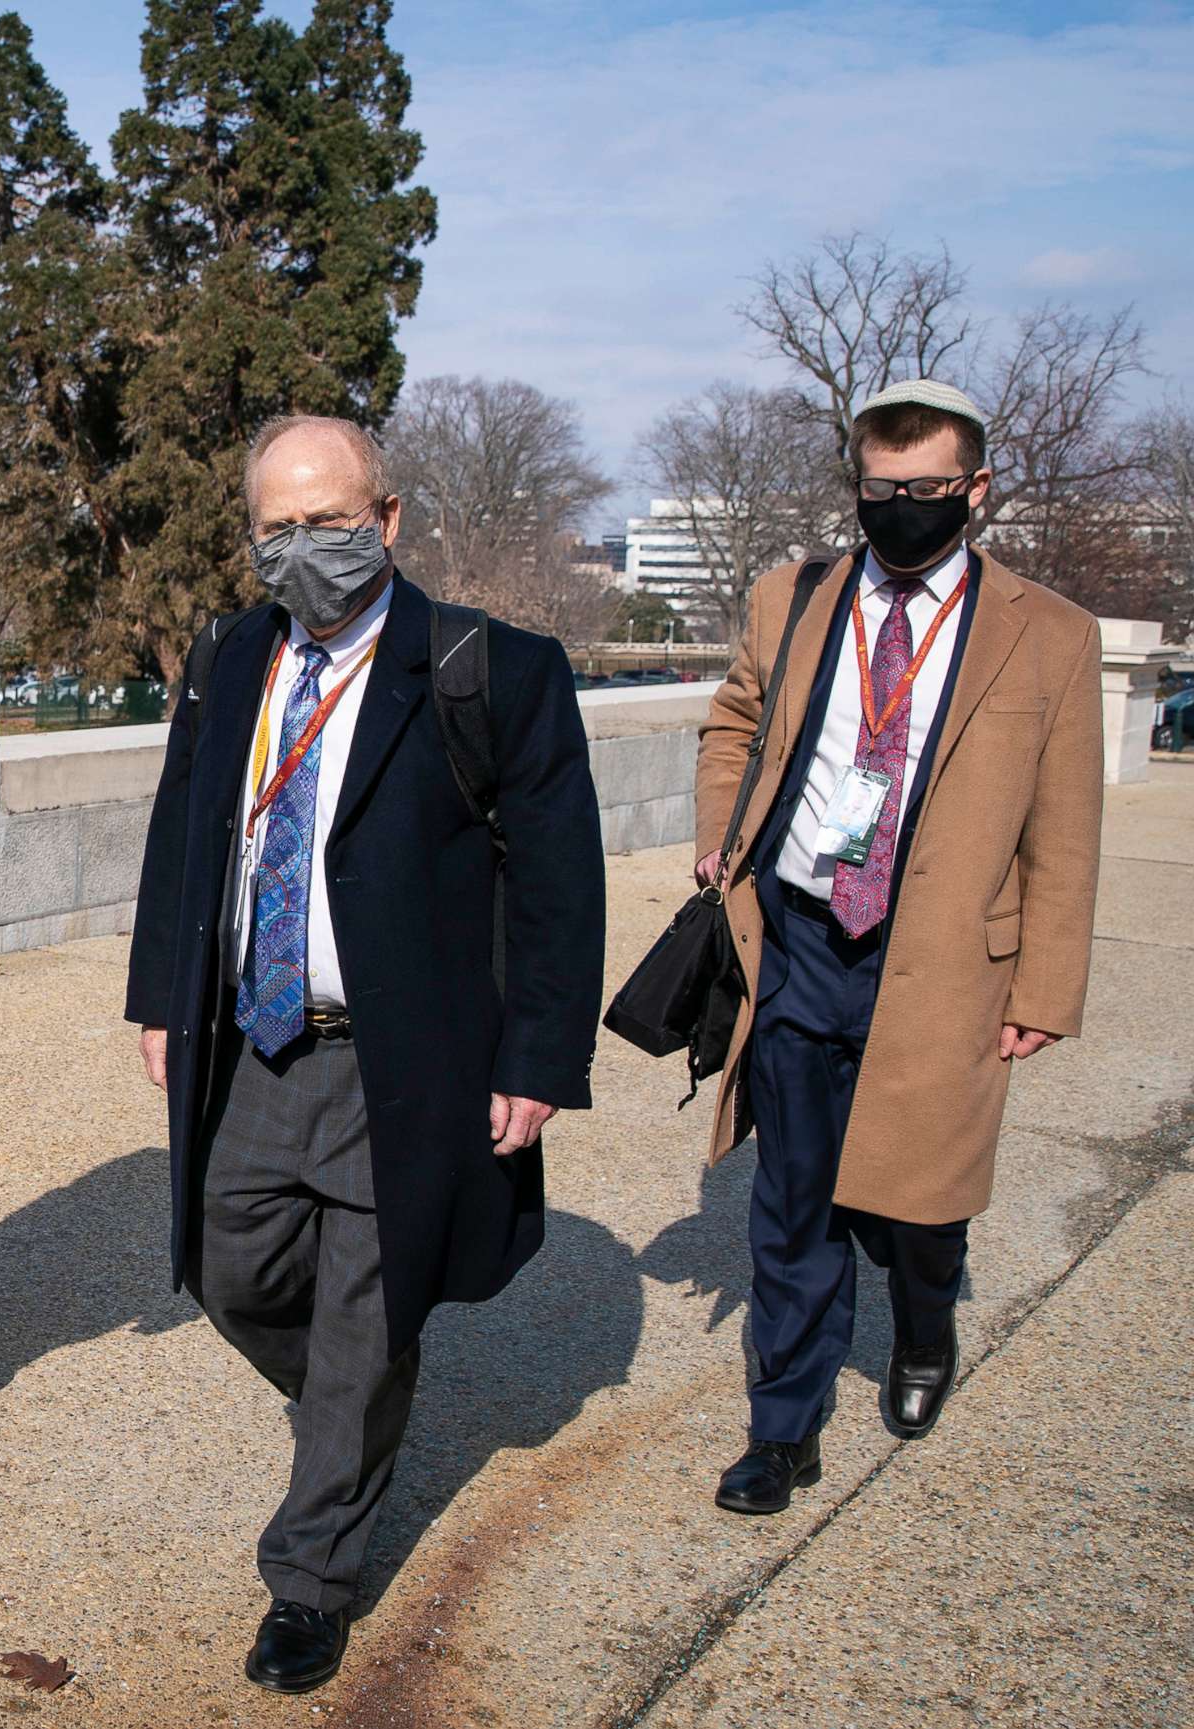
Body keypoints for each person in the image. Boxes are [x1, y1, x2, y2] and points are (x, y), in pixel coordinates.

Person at [124, 416, 604, 1694]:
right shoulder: (231, 656)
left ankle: (312, 1575)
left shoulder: (491, 668)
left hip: (411, 1053)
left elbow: (560, 883)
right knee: (230, 1264)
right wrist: (161, 999)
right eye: (276, 528)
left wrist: (540, 1060)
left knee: (365, 1309)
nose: (303, 549)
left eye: (328, 522)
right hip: (255, 1040)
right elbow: (187, 830)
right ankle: (357, 1400)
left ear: (386, 521)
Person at [691, 379, 1103, 1514]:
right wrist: (723, 835)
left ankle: (925, 1325)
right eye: (882, 491)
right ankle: (784, 1428)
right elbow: (734, 719)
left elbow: (1066, 826)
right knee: (796, 1202)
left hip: (946, 956)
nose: (902, 510)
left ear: (975, 491)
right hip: (806, 936)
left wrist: (1046, 986)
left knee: (921, 1202)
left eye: (926, 491)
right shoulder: (795, 596)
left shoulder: (1050, 633)